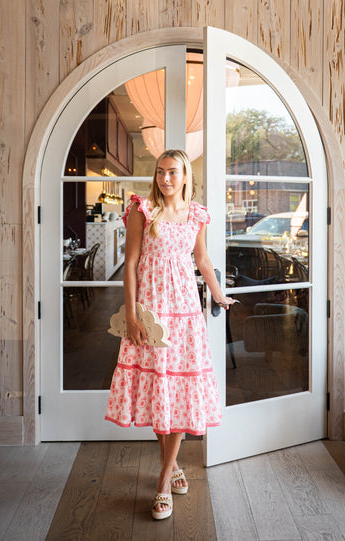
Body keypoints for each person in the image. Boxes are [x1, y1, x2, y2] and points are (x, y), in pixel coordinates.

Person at [105, 149, 235, 520]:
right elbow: (130, 265)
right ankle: (173, 465)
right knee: (159, 390)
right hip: (150, 312)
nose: (165, 179)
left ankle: (163, 481)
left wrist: (218, 293)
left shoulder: (196, 214)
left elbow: (203, 260)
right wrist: (131, 315)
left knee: (178, 392)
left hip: (185, 315)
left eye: (172, 173)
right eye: (160, 172)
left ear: (185, 176)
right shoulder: (141, 211)